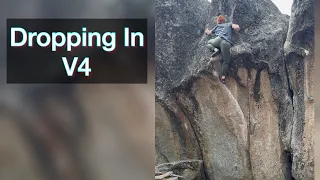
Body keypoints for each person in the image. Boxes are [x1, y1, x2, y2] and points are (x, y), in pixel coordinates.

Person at [205, 15, 240, 84]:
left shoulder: (217, 26)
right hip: (226, 43)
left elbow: (208, 32)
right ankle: (223, 77)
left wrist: (206, 29)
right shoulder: (228, 24)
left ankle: (215, 49)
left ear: (218, 21)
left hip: (217, 40)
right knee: (226, 61)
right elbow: (237, 27)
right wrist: (236, 26)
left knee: (208, 43)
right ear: (224, 21)